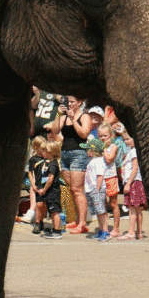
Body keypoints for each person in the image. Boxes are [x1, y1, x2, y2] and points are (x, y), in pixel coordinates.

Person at [53, 96, 94, 233]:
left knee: (77, 189)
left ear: (80, 102)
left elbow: (84, 134)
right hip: (65, 153)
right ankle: (77, 219)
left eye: (72, 102)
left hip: (79, 154)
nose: (69, 104)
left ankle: (82, 223)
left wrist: (73, 119)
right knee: (71, 189)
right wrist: (58, 115)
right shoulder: (64, 117)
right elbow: (55, 131)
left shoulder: (84, 116)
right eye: (68, 102)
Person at [120, 127, 145, 240]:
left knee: (132, 208)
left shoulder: (134, 151)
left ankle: (131, 232)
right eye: (124, 139)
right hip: (136, 182)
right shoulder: (132, 151)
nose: (126, 141)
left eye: (128, 139)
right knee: (137, 208)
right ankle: (139, 232)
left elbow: (135, 168)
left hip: (133, 182)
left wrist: (128, 183)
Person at [35, 139, 63, 239]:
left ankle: (57, 231)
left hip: (53, 192)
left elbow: (50, 179)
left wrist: (44, 189)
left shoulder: (53, 165)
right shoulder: (48, 163)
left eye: (44, 151)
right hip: (49, 192)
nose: (42, 152)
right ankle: (54, 229)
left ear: (50, 152)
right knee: (52, 211)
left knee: (54, 211)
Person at [83, 139, 110, 241]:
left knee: (101, 211)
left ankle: (105, 231)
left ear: (93, 151)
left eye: (88, 150)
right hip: (91, 189)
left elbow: (100, 176)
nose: (86, 152)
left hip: (96, 189)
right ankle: (101, 230)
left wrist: (97, 189)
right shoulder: (92, 161)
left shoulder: (98, 161)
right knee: (98, 212)